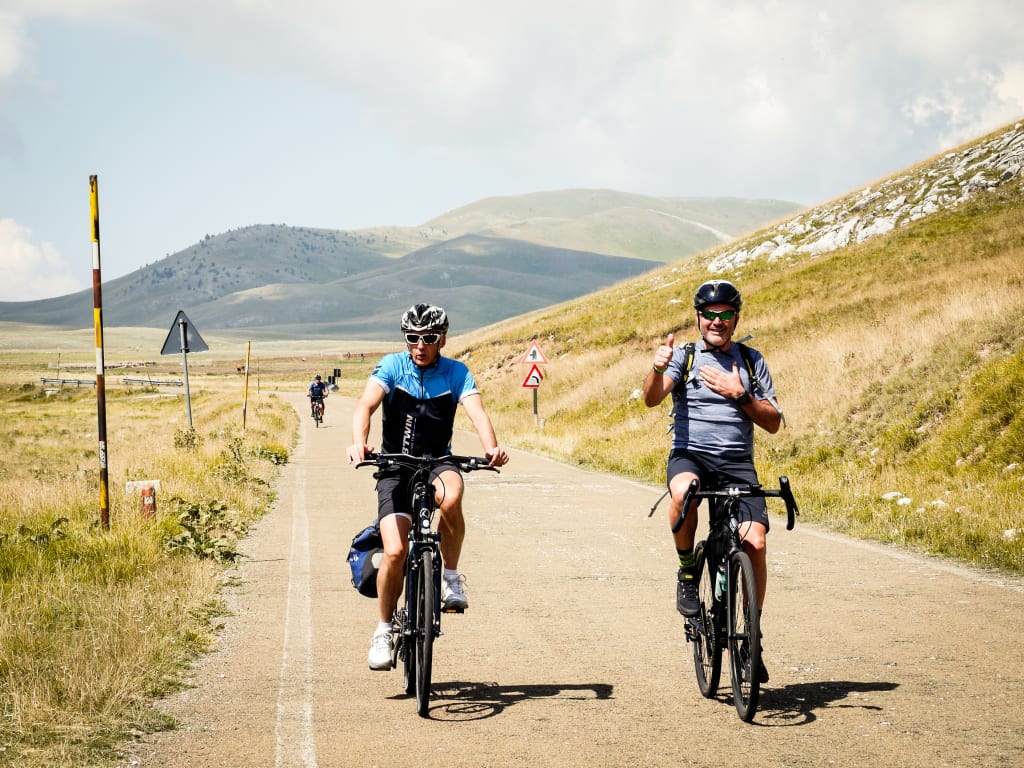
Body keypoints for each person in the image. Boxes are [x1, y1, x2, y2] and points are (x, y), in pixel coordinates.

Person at [346, 303, 510, 671]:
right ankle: (384, 629)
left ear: (442, 339)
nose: (420, 345)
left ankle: (450, 578)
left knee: (452, 496)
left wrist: (491, 448)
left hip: (438, 461)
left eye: (429, 338)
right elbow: (365, 405)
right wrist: (360, 441)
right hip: (394, 464)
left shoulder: (456, 373)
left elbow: (477, 413)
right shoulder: (392, 366)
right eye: (413, 338)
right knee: (395, 551)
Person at [642, 279, 782, 681]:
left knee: (754, 541)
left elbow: (772, 423)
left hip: (738, 463)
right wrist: (656, 366)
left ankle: (750, 639)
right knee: (684, 493)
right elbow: (652, 398)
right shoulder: (684, 357)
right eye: (709, 314)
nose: (717, 321)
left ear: (735, 318)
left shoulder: (752, 361)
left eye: (725, 314)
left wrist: (741, 395)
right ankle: (688, 572)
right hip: (692, 456)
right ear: (699, 317)